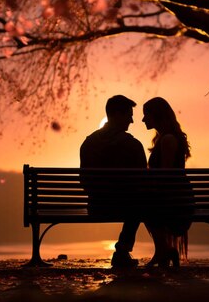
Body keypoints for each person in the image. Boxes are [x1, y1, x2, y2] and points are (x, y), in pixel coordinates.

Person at [80, 95, 147, 268]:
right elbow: (143, 182)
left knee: (138, 202)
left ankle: (123, 252)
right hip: (128, 208)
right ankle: (123, 251)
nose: (132, 120)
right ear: (117, 115)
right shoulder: (133, 145)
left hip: (96, 207)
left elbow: (84, 182)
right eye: (128, 115)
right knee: (142, 202)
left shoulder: (88, 143)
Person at [141, 97, 192, 267]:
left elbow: (166, 175)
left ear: (156, 115)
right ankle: (163, 251)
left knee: (141, 203)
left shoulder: (168, 140)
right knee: (143, 201)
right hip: (173, 196)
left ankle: (163, 251)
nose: (143, 119)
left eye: (146, 115)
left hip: (174, 200)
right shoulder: (165, 138)